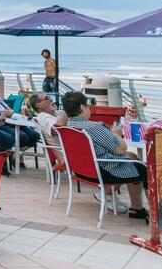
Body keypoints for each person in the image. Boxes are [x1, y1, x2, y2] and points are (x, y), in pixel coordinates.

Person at [62, 90, 147, 219]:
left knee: (133, 159)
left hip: (81, 171)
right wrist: (117, 134)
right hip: (103, 172)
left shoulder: (67, 128)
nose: (90, 108)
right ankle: (156, 214)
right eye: (88, 105)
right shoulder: (94, 127)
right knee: (145, 169)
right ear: (82, 107)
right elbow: (120, 150)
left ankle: (137, 209)